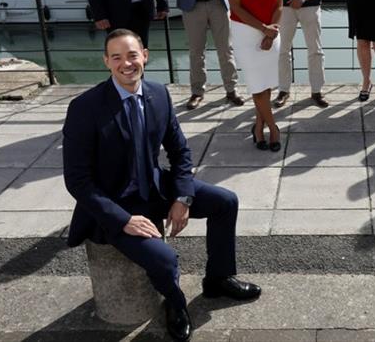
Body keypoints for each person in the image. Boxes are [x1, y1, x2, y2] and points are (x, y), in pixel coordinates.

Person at [62, 29, 260, 342]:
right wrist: (123, 220)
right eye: (117, 57)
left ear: (144, 55)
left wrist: (182, 196)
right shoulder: (85, 107)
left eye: (132, 55)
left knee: (225, 201)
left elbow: (180, 151)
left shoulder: (157, 94)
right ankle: (176, 304)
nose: (126, 63)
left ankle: (219, 278)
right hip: (116, 204)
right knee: (165, 260)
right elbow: (77, 181)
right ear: (106, 62)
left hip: (155, 187)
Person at [225, 0, 286, 152]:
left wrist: (272, 31)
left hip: (272, 32)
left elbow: (279, 5)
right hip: (245, 34)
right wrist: (263, 29)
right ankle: (274, 128)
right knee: (257, 85)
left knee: (267, 84)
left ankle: (258, 126)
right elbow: (235, 7)